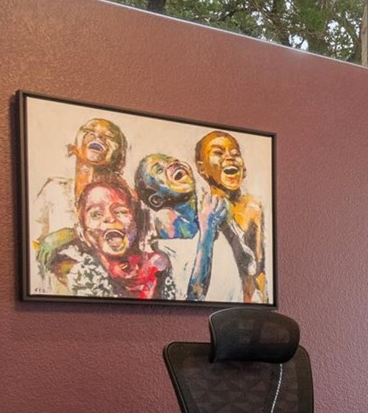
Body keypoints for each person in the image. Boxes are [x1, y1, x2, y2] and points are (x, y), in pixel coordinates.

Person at [31, 118, 129, 291]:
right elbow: (31, 241)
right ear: (75, 145)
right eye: (90, 130)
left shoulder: (124, 199)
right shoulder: (54, 190)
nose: (98, 136)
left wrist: (73, 234)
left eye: (109, 136)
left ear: (119, 154)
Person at [192, 130, 269, 303]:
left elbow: (258, 270)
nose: (229, 157)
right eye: (218, 153)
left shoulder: (253, 208)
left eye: (235, 154)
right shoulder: (199, 209)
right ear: (201, 168)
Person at [68, 179, 170, 299]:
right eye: (96, 214)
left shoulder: (158, 267)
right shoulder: (82, 277)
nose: (110, 218)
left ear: (137, 223)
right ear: (84, 233)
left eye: (121, 211)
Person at [134, 153, 203, 298]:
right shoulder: (166, 234)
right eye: (159, 170)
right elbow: (193, 293)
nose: (173, 164)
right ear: (157, 200)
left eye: (174, 159)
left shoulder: (209, 211)